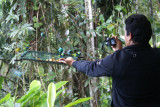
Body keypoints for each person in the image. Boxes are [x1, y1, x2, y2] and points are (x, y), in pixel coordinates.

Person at [60, 14, 160, 107]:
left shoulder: (117, 61)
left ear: (130, 35)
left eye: (125, 33)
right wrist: (119, 53)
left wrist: (73, 62)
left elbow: (91, 68)